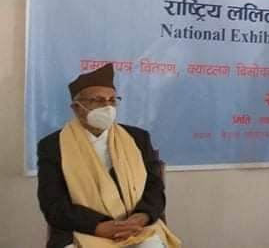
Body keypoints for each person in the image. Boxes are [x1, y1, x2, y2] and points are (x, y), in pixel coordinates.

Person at [37, 63, 181, 248]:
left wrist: (141, 216)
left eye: (112, 100)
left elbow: (155, 187)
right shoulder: (53, 146)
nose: (107, 106)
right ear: (77, 107)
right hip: (82, 229)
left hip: (136, 227)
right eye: (97, 100)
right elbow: (53, 203)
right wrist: (98, 226)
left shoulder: (138, 138)